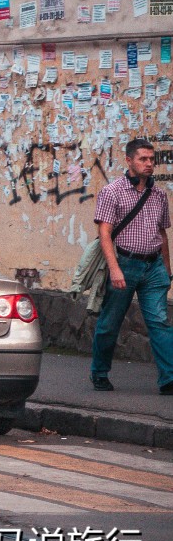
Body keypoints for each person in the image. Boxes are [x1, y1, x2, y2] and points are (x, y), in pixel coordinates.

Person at [90, 137, 173, 394]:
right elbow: (105, 234)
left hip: (154, 267)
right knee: (109, 323)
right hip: (124, 263)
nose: (149, 164)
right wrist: (114, 269)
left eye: (152, 159)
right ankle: (99, 373)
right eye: (143, 159)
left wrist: (167, 270)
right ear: (129, 160)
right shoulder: (111, 192)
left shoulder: (159, 194)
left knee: (159, 322)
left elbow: (162, 234)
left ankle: (169, 379)